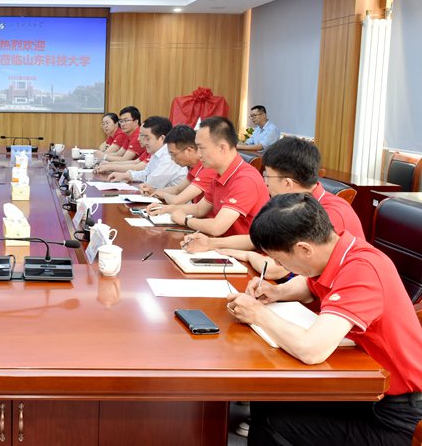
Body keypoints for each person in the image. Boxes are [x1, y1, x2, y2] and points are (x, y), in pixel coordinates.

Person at [227, 193, 422, 445]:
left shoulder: (362, 270)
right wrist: (277, 292)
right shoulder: (337, 248)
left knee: (275, 422)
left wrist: (258, 313)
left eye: (278, 259)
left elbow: (311, 350)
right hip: (366, 387)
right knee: (267, 399)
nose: (275, 264)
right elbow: (309, 284)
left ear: (304, 249)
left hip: (394, 415)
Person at [182, 137, 366, 279]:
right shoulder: (293, 204)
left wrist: (244, 255)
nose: (265, 184)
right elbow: (256, 240)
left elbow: (274, 270)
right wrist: (211, 244)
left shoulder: (328, 214)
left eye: (267, 177)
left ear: (287, 183)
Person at [149, 116, 269, 237]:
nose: (199, 154)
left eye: (201, 148)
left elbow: (217, 227)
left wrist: (185, 220)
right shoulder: (219, 173)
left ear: (222, 148)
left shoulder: (245, 179)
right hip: (217, 241)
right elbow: (200, 209)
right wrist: (166, 209)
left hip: (236, 247)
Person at [141, 124, 216, 205]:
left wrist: (163, 195)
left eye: (173, 154)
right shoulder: (193, 166)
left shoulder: (207, 168)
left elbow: (178, 200)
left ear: (189, 151)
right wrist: (154, 191)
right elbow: (178, 189)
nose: (171, 159)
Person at [106, 116, 186, 189]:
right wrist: (126, 175)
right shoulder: (157, 153)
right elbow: (146, 173)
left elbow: (151, 183)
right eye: (141, 135)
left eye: (147, 138)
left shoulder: (169, 157)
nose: (140, 140)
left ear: (162, 138)